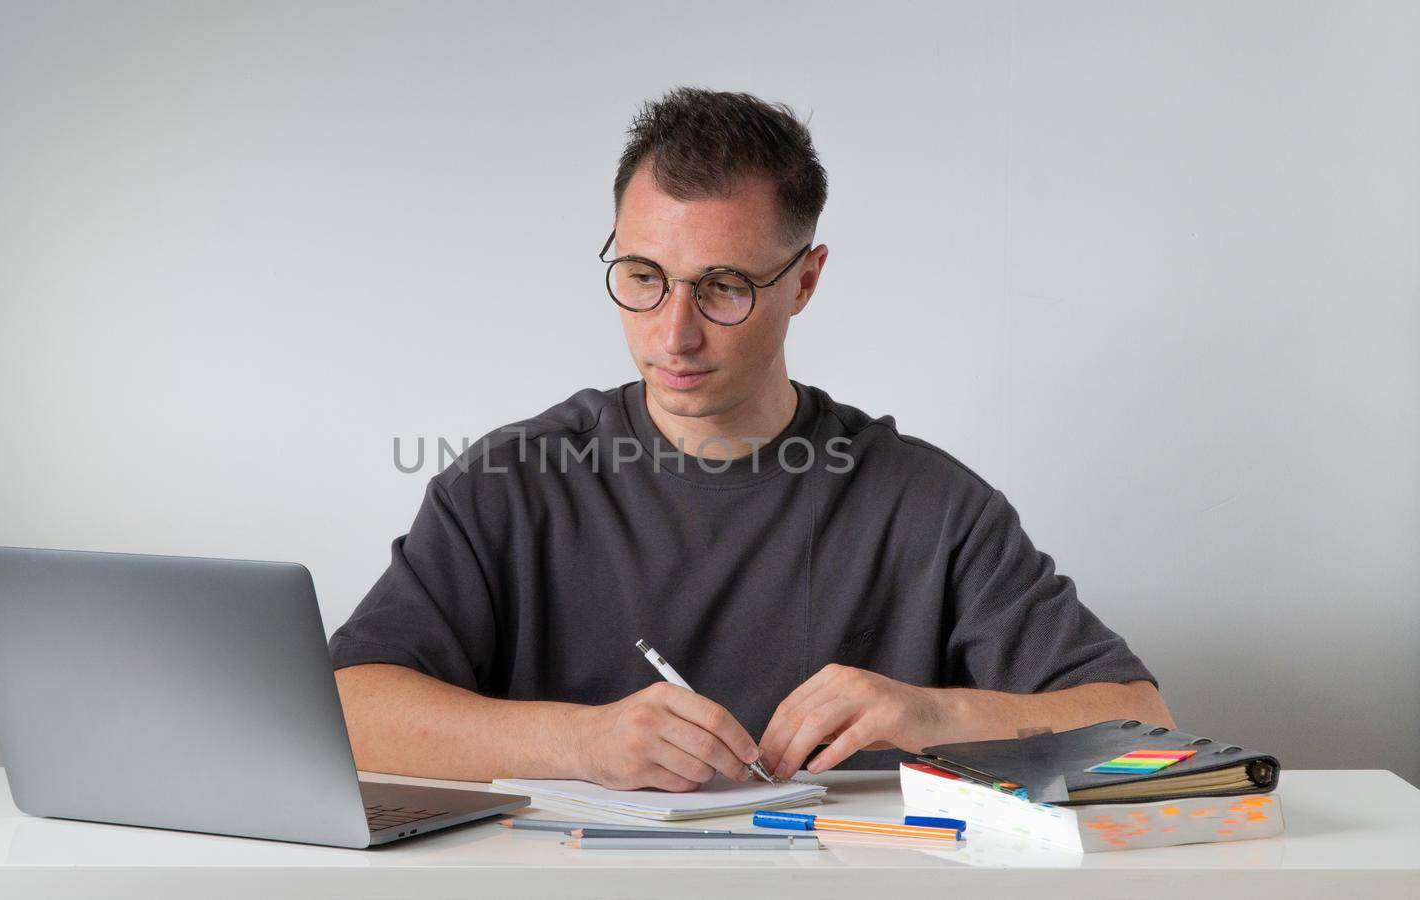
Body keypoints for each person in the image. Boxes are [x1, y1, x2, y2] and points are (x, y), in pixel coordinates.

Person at [330, 86, 1172, 792]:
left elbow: (1143, 724)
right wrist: (580, 744)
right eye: (643, 278)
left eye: (724, 288)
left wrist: (939, 714)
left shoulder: (927, 506)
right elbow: (346, 706)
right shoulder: (511, 483)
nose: (674, 334)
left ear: (805, 280)